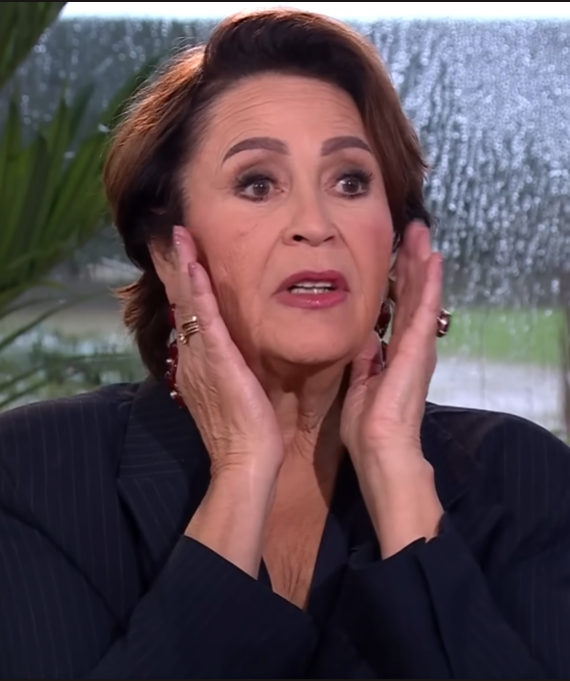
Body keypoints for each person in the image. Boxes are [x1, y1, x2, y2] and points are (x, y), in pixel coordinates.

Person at [0, 8, 568, 679]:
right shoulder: (32, 473)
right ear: (169, 254)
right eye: (258, 183)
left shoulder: (525, 477)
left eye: (350, 181)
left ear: (394, 242)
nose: (315, 223)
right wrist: (241, 474)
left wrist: (394, 467)